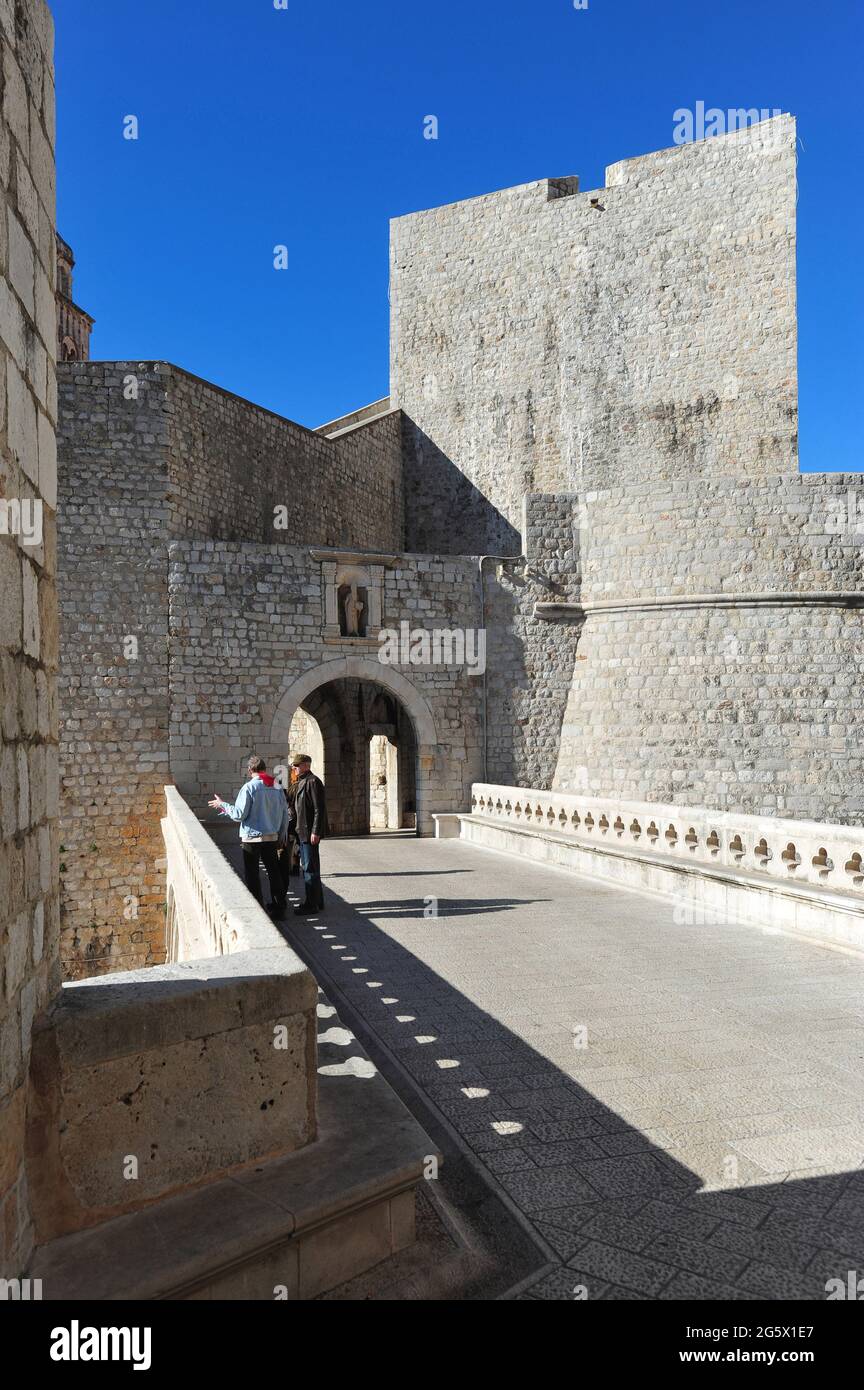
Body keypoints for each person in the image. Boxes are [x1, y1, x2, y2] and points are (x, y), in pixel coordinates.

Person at [209, 756, 289, 919]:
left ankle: (258, 910)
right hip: (271, 837)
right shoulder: (276, 787)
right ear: (264, 769)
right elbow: (284, 814)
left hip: (252, 838)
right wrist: (281, 835)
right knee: (274, 872)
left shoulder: (249, 788)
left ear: (249, 770)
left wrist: (222, 804)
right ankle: (279, 908)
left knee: (252, 874)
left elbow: (239, 815)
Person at [290, 752, 328, 915]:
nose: (295, 768)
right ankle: (318, 901)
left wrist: (315, 831)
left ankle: (311, 904)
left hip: (308, 832)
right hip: (302, 831)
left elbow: (320, 809)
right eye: (294, 766)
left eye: (297, 766)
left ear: (306, 765)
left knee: (309, 868)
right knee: (311, 867)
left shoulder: (313, 782)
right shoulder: (302, 781)